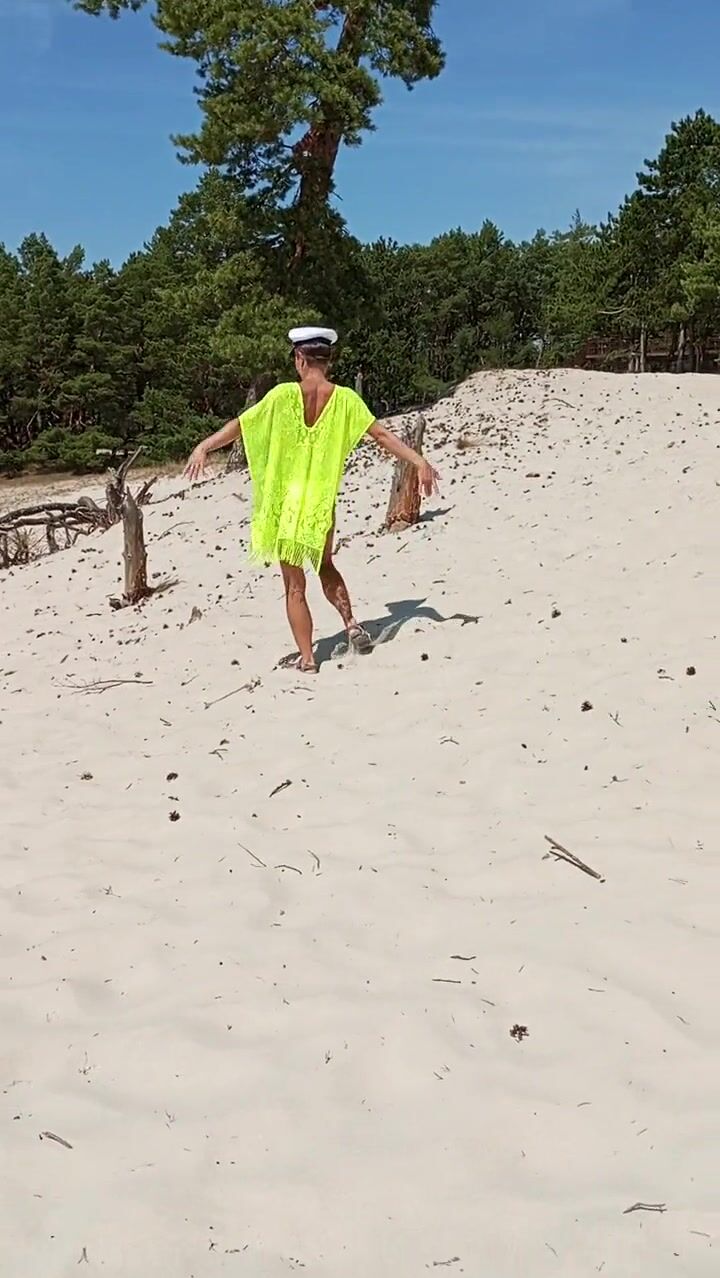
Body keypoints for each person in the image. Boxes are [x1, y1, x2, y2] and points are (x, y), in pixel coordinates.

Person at [184, 326, 439, 673]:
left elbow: (241, 425)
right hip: (320, 502)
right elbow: (381, 435)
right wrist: (418, 461)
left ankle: (307, 660)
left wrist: (204, 446)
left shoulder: (282, 395)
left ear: (300, 358)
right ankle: (351, 623)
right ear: (328, 360)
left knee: (294, 587)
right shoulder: (345, 399)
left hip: (287, 505)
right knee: (325, 564)